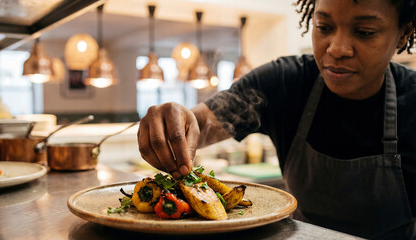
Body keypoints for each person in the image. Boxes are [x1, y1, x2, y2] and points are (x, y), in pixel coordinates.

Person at [137, 0, 416, 238]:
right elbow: (203, 122)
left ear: (403, 34)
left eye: (364, 32)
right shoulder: (285, 82)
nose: (337, 48)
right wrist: (179, 120)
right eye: (324, 27)